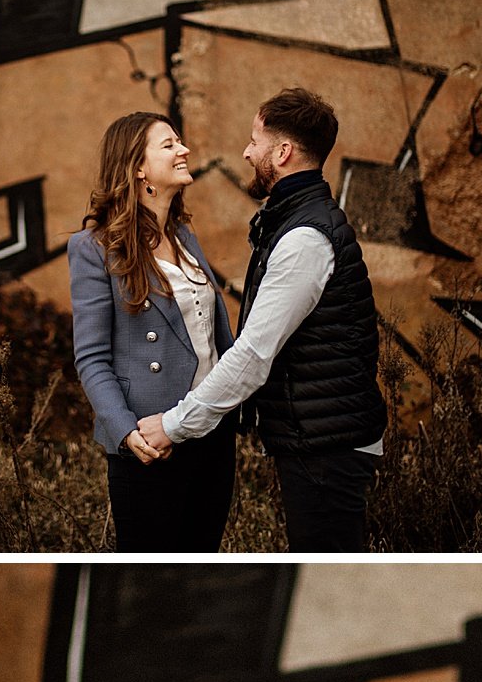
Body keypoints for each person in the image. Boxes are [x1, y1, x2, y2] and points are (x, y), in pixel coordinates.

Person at [137, 87, 386, 552]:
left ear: (284, 151)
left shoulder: (304, 238)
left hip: (325, 449)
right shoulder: (295, 221)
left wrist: (174, 424)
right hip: (321, 439)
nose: (248, 152)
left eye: (256, 140)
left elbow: (253, 354)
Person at [69, 112, 237, 553]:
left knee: (203, 560)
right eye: (169, 145)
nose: (183, 150)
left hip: (211, 430)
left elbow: (212, 336)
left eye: (180, 142)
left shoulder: (183, 233)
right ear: (137, 167)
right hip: (150, 441)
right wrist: (126, 433)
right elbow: (91, 358)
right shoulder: (94, 250)